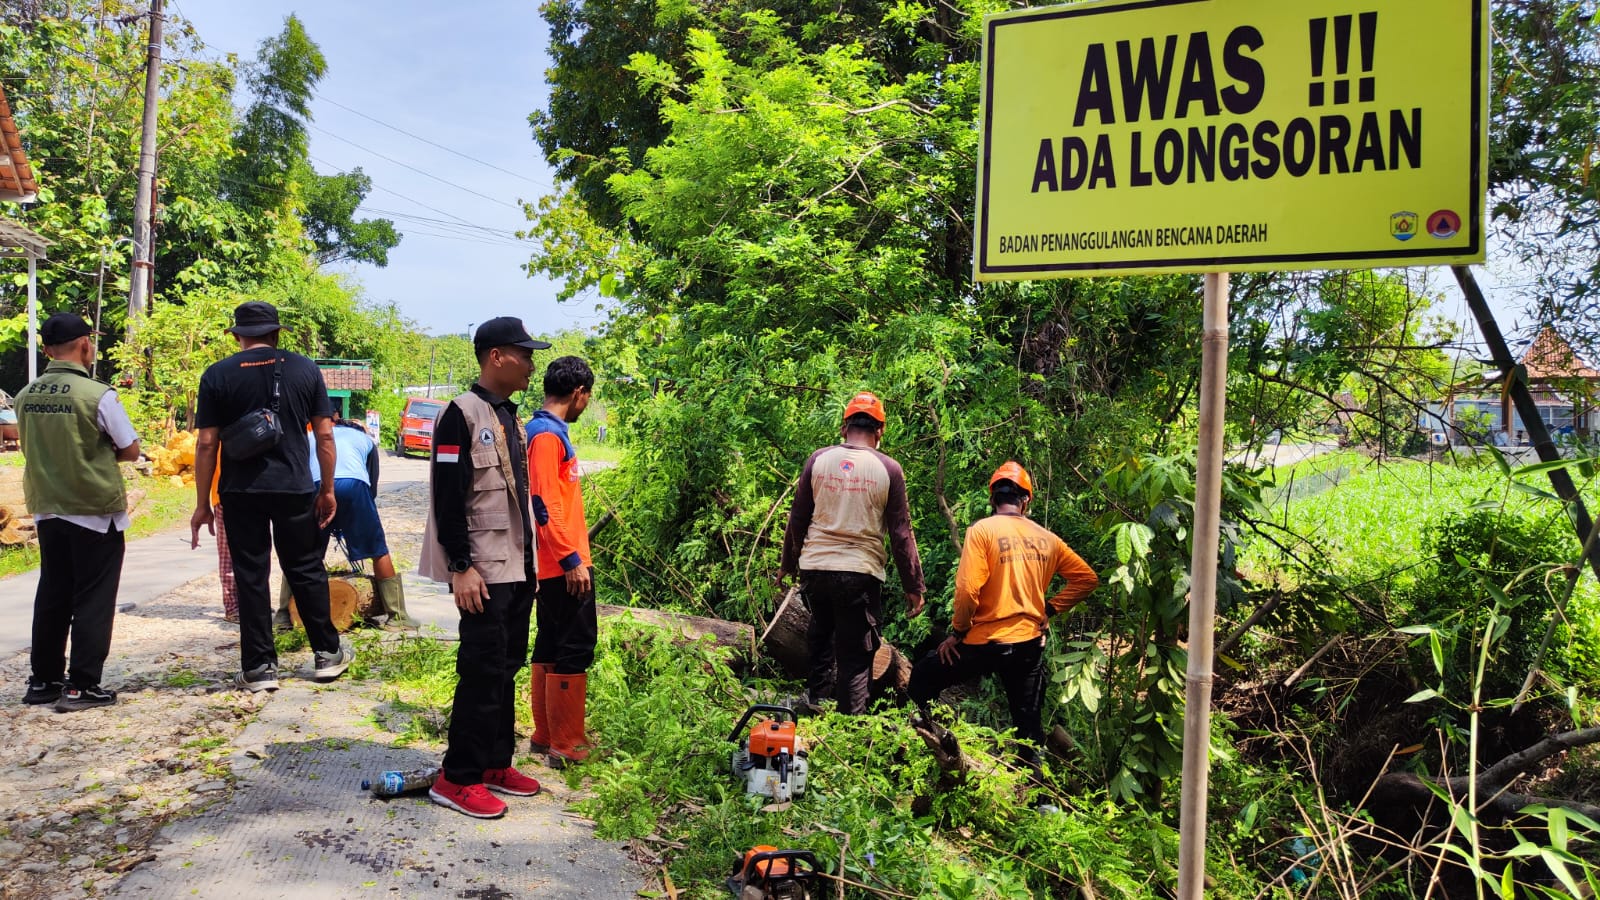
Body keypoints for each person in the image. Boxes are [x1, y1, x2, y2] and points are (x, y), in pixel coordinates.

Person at [418, 317, 551, 819]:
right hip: (484, 571)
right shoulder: (461, 414)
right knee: (481, 671)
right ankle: (458, 777)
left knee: (507, 666)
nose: (531, 364)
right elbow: (447, 497)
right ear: (497, 356)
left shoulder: (510, 417)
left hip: (519, 567)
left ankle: (496, 762)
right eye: (524, 353)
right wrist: (460, 566)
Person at [190, 301, 354, 693]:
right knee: (304, 568)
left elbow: (207, 444)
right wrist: (327, 489)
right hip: (293, 486)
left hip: (240, 491)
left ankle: (260, 667)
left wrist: (201, 504)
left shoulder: (217, 374)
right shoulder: (304, 368)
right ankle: (327, 655)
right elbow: (325, 435)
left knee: (251, 575)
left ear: (237, 335)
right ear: (277, 333)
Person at [908, 462, 1099, 762]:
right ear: (1026, 500)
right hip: (1027, 646)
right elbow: (1087, 578)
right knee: (1028, 726)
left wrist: (957, 633)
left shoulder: (982, 531)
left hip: (982, 643)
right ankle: (1039, 799)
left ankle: (925, 749)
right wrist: (1049, 608)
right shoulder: (1048, 539)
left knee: (922, 677)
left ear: (993, 498)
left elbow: (968, 590)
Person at [17, 313, 141, 711]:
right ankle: (82, 685)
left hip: (47, 508)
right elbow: (130, 449)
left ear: (47, 349)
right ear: (85, 345)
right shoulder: (97, 395)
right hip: (92, 508)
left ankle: (44, 681)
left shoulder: (26, 395)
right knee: (93, 597)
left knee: (53, 593)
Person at [779, 390, 926, 715]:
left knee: (821, 633)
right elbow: (902, 533)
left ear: (844, 427)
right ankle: (850, 727)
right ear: (880, 431)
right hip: (859, 573)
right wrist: (914, 587)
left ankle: (817, 703)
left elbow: (798, 518)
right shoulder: (888, 468)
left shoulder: (819, 460)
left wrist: (788, 564)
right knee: (856, 655)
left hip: (816, 570)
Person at [525, 355, 596, 767]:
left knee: (551, 643)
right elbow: (544, 503)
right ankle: (567, 744)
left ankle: (547, 736)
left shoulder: (542, 431)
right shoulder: (547, 435)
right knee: (576, 645)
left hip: (552, 563)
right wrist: (571, 560)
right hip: (561, 563)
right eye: (587, 397)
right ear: (578, 393)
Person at [279, 418, 418, 630]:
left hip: (315, 486)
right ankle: (397, 616)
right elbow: (371, 486)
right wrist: (357, 522)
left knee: (302, 554)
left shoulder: (310, 436)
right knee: (377, 550)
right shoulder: (366, 440)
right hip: (354, 485)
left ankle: (283, 617)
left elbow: (298, 472)